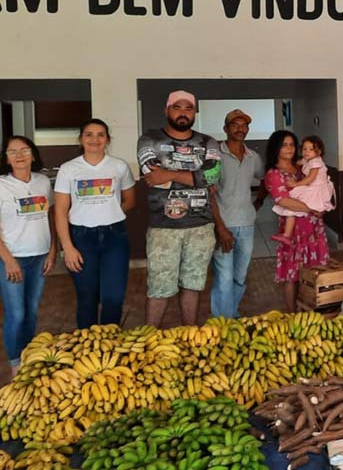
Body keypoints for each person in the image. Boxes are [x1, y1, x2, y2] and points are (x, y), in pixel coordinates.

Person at [137, 91, 224, 327]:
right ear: (167, 110)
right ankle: (149, 339)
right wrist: (195, 177)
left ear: (194, 112)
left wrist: (171, 174)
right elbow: (152, 175)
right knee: (159, 288)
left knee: (193, 285)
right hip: (163, 228)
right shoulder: (149, 139)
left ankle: (189, 334)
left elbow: (212, 175)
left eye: (188, 108)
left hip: (201, 226)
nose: (183, 112)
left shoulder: (208, 142)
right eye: (177, 107)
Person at [54, 119, 136, 329]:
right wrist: (68, 248)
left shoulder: (118, 166)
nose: (94, 139)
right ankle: (87, 348)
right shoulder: (68, 169)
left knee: (113, 298)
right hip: (81, 239)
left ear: (107, 139)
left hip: (115, 237)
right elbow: (61, 211)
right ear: (81, 139)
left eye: (100, 134)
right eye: (89, 134)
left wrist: (109, 212)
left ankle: (109, 345)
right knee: (87, 298)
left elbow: (130, 200)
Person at [0, 136, 57, 375]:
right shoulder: (1, 185)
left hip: (40, 256)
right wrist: (8, 260)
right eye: (12, 151)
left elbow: (51, 216)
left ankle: (28, 354)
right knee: (17, 313)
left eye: (24, 150)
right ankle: (15, 363)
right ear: (6, 158)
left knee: (32, 310)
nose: (19, 155)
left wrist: (53, 249)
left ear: (33, 155)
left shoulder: (43, 182)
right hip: (12, 258)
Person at [263, 131, 330, 311]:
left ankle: (313, 311)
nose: (290, 148)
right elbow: (282, 200)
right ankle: (292, 314)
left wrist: (321, 205)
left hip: (313, 228)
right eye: (284, 145)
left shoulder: (303, 167)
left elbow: (318, 185)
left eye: (292, 144)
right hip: (294, 231)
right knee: (292, 274)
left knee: (314, 271)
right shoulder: (274, 173)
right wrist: (310, 208)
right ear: (276, 148)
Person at [210, 109, 265, 319]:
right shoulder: (216, 157)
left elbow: (265, 179)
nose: (240, 129)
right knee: (224, 277)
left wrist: (258, 201)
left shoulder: (253, 157)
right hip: (223, 225)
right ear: (226, 129)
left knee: (240, 277)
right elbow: (209, 194)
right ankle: (221, 323)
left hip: (247, 225)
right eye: (235, 125)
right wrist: (220, 227)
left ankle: (231, 316)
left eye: (244, 125)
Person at [271, 135, 335, 245]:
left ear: (319, 152)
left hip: (316, 189)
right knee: (292, 205)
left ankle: (287, 234)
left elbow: (310, 178)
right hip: (310, 187)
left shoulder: (316, 162)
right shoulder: (307, 160)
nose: (306, 152)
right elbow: (299, 162)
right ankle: (287, 235)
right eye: (304, 149)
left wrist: (296, 184)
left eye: (311, 149)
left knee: (294, 202)